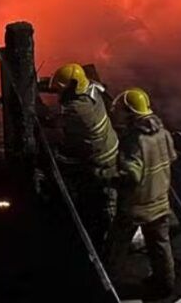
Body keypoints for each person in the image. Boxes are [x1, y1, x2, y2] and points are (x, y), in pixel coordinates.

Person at [104, 88, 178, 299]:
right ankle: (165, 285)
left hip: (136, 204)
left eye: (121, 111)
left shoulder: (133, 140)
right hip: (161, 200)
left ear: (130, 112)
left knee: (116, 246)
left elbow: (131, 174)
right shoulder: (163, 133)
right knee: (160, 245)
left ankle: (107, 283)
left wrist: (108, 177)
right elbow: (172, 158)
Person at [50, 62, 119, 253]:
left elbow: (56, 123)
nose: (58, 93)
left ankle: (113, 244)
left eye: (61, 90)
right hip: (111, 145)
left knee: (108, 200)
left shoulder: (77, 110)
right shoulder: (93, 87)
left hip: (101, 158)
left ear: (71, 88)